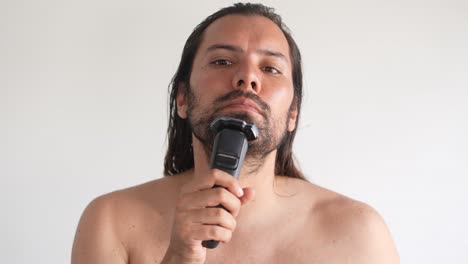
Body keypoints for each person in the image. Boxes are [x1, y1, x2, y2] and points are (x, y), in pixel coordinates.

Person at [72, 3, 399, 263]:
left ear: (293, 115)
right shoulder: (111, 221)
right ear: (182, 99)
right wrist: (179, 258)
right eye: (223, 61)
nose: (247, 78)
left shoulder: (358, 233)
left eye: (270, 68)